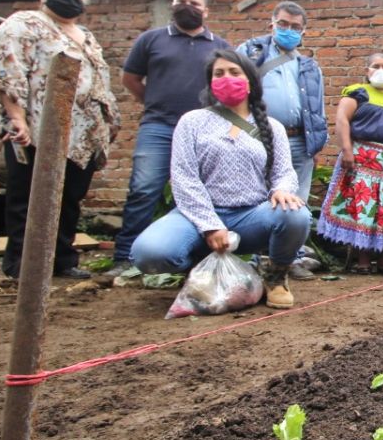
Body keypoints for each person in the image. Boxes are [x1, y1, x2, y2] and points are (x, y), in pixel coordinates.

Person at [131, 50, 309, 309]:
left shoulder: (272, 127)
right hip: (195, 217)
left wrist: (282, 189)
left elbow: (283, 171)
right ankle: (200, 271)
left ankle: (275, 275)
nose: (227, 78)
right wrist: (210, 225)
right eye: (219, 73)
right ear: (211, 82)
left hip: (251, 216)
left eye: (234, 72)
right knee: (149, 253)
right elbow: (184, 177)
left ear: (250, 81)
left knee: (296, 214)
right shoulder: (192, 122)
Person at [0, 0, 120, 279]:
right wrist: (17, 118)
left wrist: (108, 126)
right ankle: (24, 264)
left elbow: (99, 83)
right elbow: (8, 70)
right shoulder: (24, 24)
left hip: (81, 135)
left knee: (69, 198)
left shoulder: (86, 35)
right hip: (36, 127)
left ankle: (62, 260)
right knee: (29, 196)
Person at [111, 0, 230, 276]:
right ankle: (125, 257)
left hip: (204, 131)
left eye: (194, 3)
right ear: (173, 6)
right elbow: (130, 79)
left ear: (205, 10)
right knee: (143, 189)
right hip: (159, 126)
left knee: (201, 192)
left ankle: (191, 255)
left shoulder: (221, 47)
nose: (187, 7)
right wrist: (152, 102)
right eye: (181, 1)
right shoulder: (151, 40)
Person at [235, 1, 328, 280]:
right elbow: (236, 95)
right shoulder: (250, 53)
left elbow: (318, 106)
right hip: (259, 137)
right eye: (284, 24)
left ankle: (290, 259)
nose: (289, 30)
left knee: (296, 200)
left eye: (296, 27)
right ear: (272, 24)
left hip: (299, 141)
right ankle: (255, 258)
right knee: (258, 197)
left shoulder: (309, 66)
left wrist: (317, 142)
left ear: (304, 32)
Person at [316, 53, 383, 273]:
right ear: (367, 70)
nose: (381, 70)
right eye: (375, 66)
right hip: (363, 161)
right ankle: (362, 259)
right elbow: (342, 119)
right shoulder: (358, 93)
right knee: (364, 209)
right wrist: (346, 150)